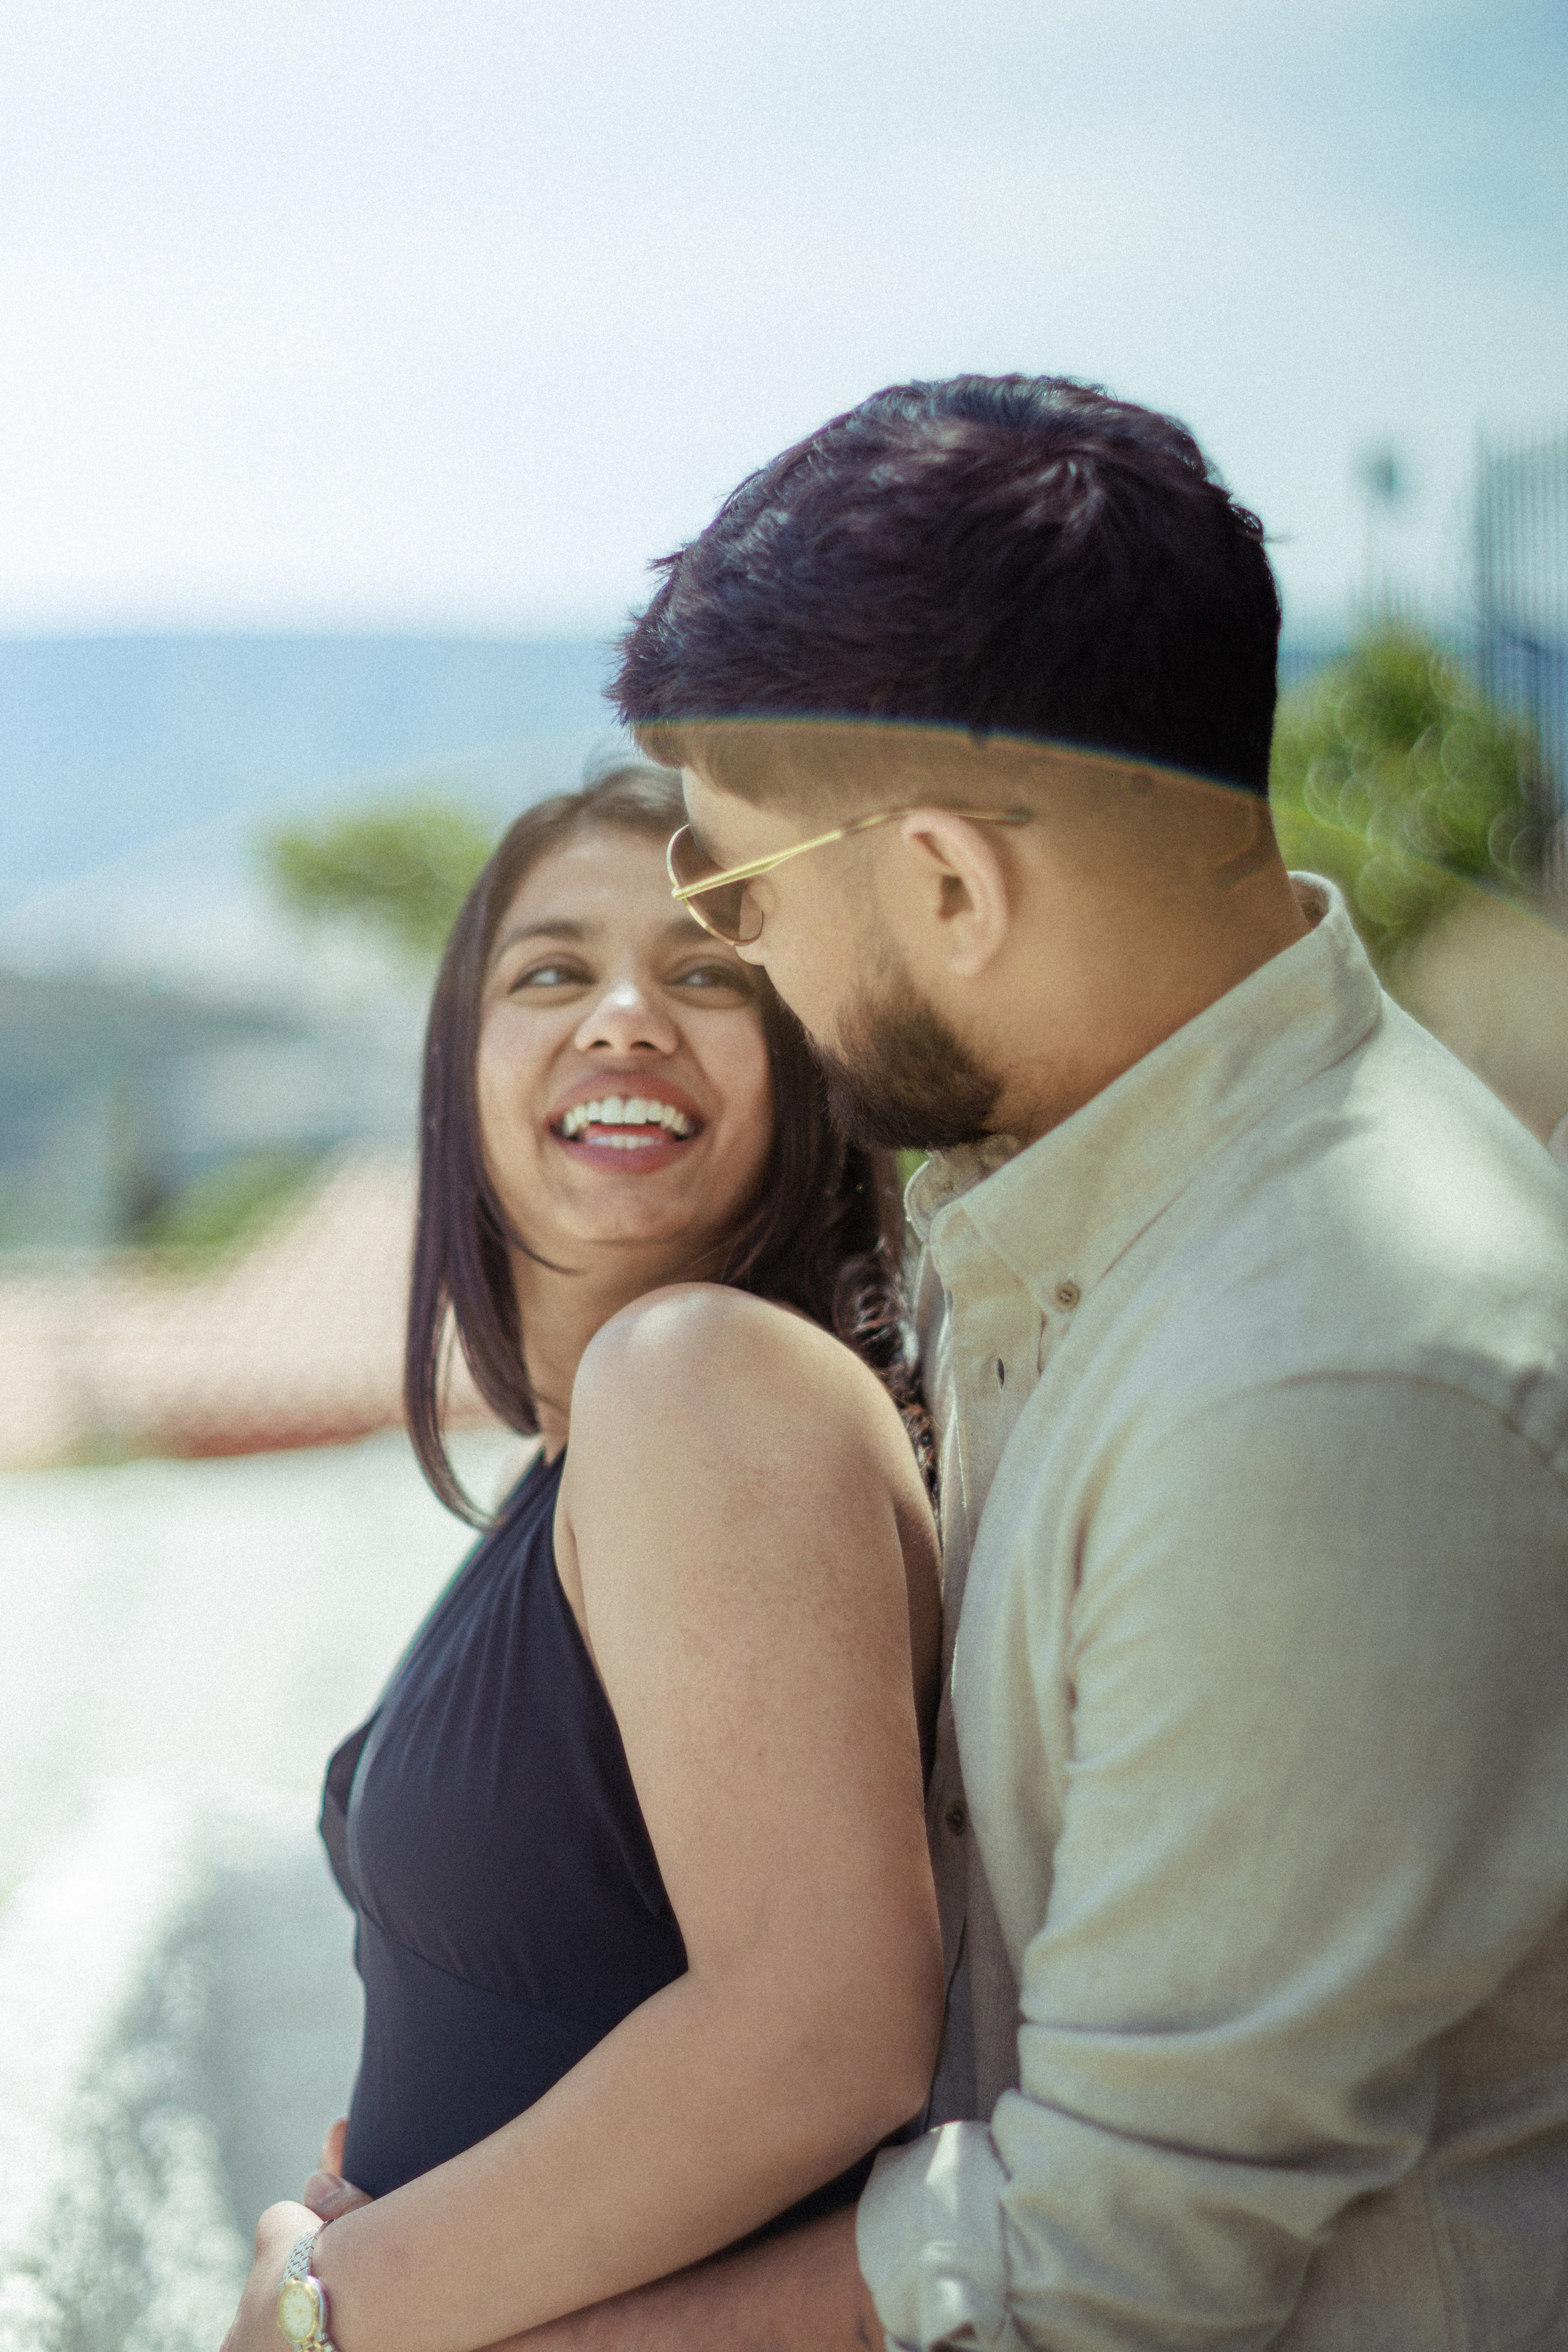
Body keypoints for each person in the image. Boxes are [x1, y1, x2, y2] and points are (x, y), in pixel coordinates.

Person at [448, 375, 1568, 2348]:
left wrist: (378, 2329)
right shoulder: (1082, 1203)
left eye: (739, 897)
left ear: (951, 884)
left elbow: (1111, 2266)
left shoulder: (1324, 1382)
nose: (750, 967)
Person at [219, 762, 944, 2351]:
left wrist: (336, 2309)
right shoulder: (592, 1460)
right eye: (552, 971)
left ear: (806, 1070)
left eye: (708, 973)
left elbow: (827, 2032)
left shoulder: (698, 1375)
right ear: (459, 1068)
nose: (623, 1016)